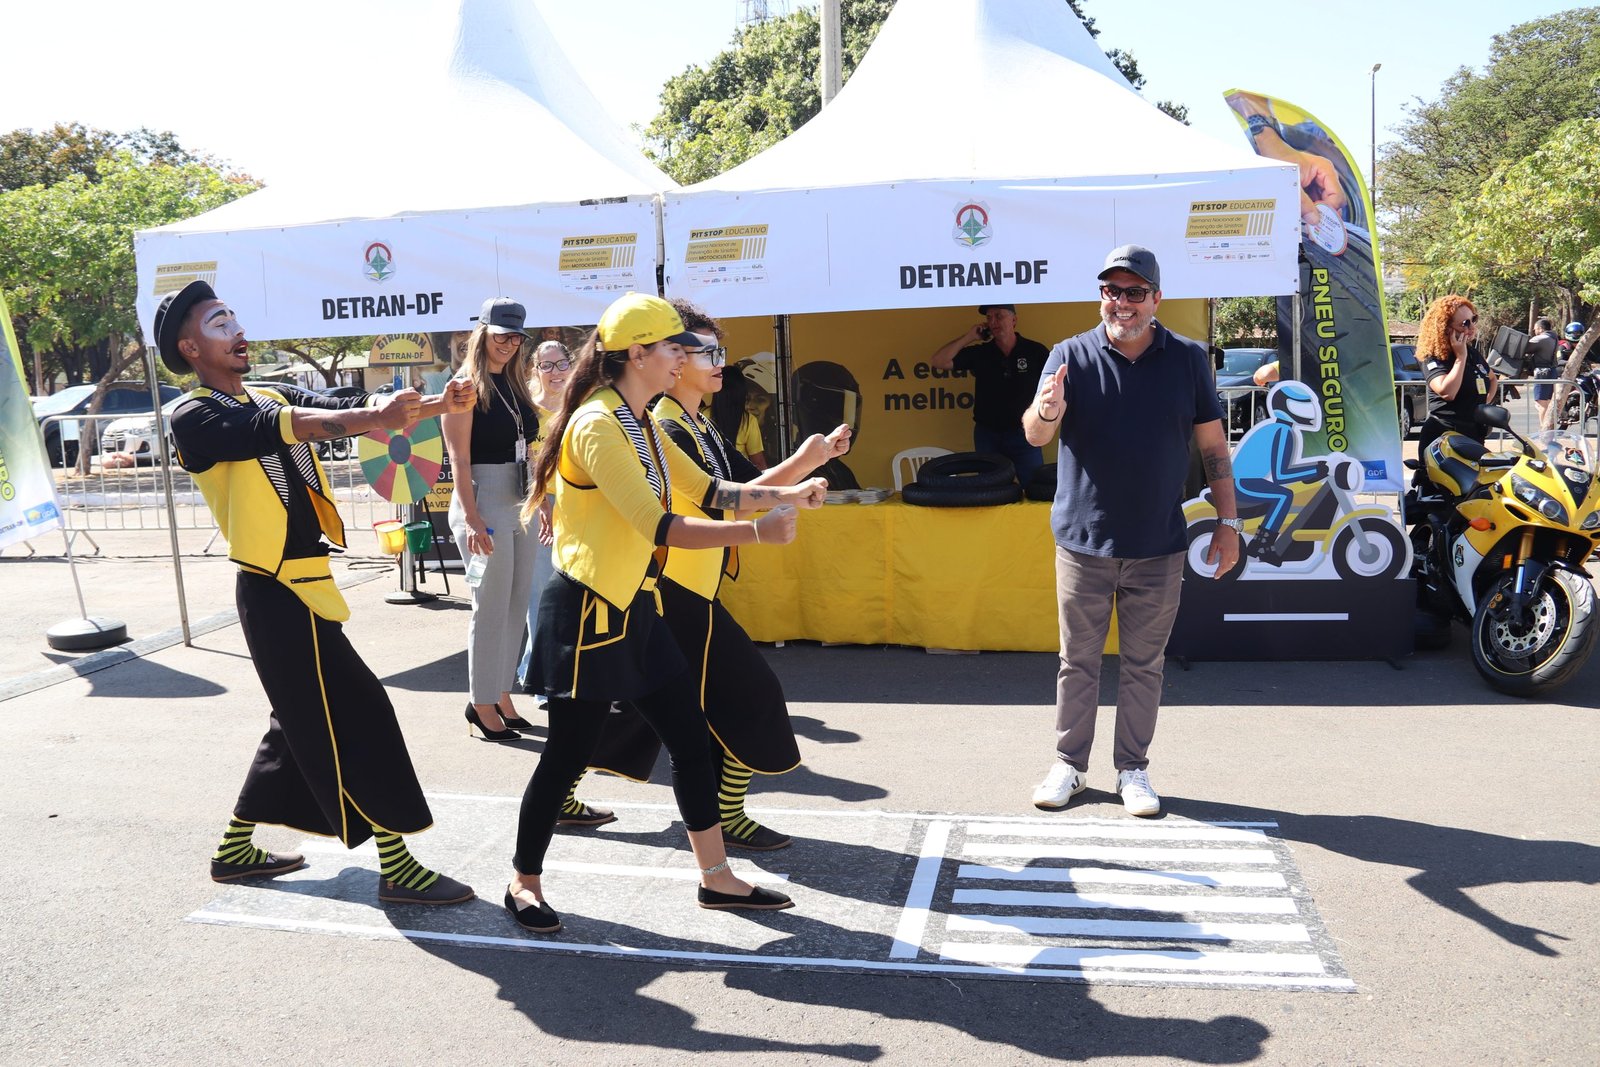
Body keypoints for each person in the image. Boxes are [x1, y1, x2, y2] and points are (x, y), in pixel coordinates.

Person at [505, 292, 828, 934]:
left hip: (636, 605)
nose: (685, 357)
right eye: (676, 347)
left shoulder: (643, 421)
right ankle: (524, 881)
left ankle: (716, 878)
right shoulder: (597, 424)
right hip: (589, 610)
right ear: (638, 353)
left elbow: (711, 491)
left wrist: (789, 493)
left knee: (689, 740)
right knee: (565, 755)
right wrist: (757, 532)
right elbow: (657, 524)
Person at [158, 279, 477, 905]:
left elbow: (338, 399)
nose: (237, 330)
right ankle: (397, 866)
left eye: (234, 317)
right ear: (190, 349)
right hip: (273, 590)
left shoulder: (268, 391)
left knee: (295, 721)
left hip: (306, 584)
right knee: (361, 711)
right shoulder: (194, 415)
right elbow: (287, 426)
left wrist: (437, 403)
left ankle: (234, 851)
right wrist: (373, 418)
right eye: (219, 323)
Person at [581, 299, 851, 851]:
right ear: (666, 358)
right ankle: (723, 822)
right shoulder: (654, 423)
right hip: (671, 590)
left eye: (715, 351)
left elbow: (738, 488)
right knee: (747, 695)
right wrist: (784, 495)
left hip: (691, 588)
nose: (715, 362)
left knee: (636, 711)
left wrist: (808, 462)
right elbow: (715, 506)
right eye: (702, 351)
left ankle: (564, 789)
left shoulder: (693, 422)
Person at [1021, 245, 1241, 818]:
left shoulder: (1188, 359)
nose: (1121, 302)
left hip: (1158, 545)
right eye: (1111, 291)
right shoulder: (1068, 355)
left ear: (1156, 299)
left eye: (1134, 292)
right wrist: (1047, 410)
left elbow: (1214, 447)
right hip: (1083, 543)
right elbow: (1035, 435)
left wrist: (1229, 522)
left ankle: (1132, 770)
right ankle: (1069, 764)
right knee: (1078, 662)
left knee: (1145, 665)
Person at [442, 298, 541, 742]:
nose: (509, 343)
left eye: (516, 336)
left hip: (520, 498)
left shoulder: (515, 383)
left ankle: (501, 694)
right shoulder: (464, 387)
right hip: (483, 499)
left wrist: (541, 500)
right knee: (490, 605)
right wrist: (473, 519)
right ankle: (481, 703)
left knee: (516, 603)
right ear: (482, 333)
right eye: (501, 334)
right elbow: (459, 460)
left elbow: (528, 448)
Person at [929, 304, 1052, 482]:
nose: (993, 322)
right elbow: (938, 361)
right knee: (989, 490)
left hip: (1025, 434)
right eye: (989, 318)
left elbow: (1053, 386)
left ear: (1014, 320)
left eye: (999, 316)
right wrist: (970, 337)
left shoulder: (1035, 351)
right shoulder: (981, 352)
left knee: (1034, 487)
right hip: (988, 435)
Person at [1415, 295, 1497, 485]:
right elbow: (1447, 392)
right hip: (1444, 436)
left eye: (1473, 320)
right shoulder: (1433, 356)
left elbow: (1492, 379)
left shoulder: (1472, 353)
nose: (1471, 327)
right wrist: (1460, 358)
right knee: (1445, 495)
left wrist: (1483, 406)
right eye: (1464, 323)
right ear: (1446, 328)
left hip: (1473, 433)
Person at [1527, 317, 1559, 425]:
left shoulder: (1541, 338)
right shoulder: (1553, 337)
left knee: (1542, 404)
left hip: (1542, 373)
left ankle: (1543, 430)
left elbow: (1524, 348)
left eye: (1535, 329)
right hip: (1551, 371)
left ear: (1540, 328)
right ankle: (1548, 429)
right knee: (1547, 403)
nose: (1534, 331)